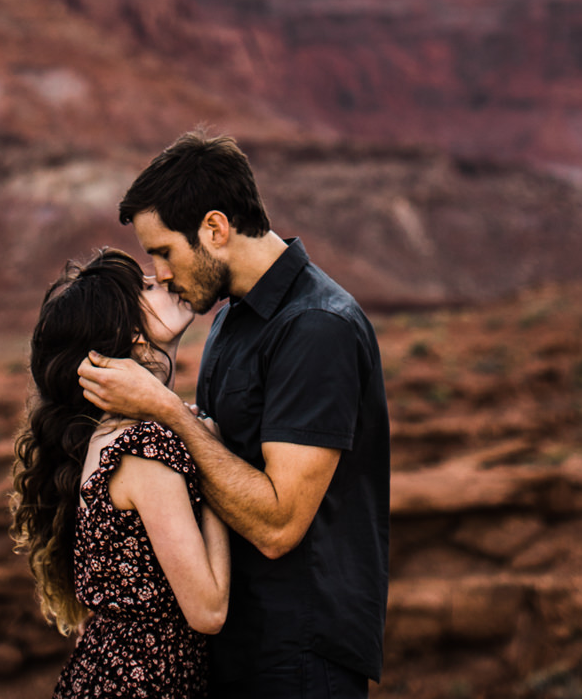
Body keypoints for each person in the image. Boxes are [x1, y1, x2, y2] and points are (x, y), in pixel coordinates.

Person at [77, 135, 389, 699]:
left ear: (215, 229)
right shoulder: (231, 321)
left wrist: (166, 410)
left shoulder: (317, 328)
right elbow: (215, 462)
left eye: (164, 252)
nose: (161, 273)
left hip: (299, 658)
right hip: (235, 652)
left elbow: (278, 525)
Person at [12, 245, 231, 699]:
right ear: (130, 332)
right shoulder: (142, 449)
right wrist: (213, 460)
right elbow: (208, 611)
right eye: (146, 287)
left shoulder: (112, 436)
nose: (163, 279)